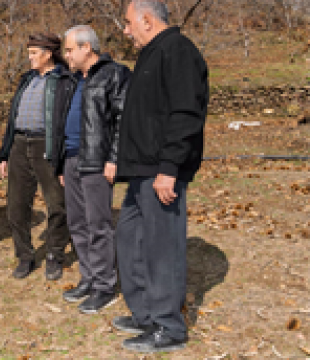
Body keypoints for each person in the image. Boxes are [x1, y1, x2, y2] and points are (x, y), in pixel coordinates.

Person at [113, 0, 209, 353]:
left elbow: (186, 113)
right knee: (130, 242)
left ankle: (169, 328)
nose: (125, 30)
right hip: (140, 170)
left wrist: (169, 168)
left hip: (160, 171)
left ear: (148, 20)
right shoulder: (150, 55)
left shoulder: (178, 51)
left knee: (161, 249)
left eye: (128, 23)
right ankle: (146, 316)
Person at [57, 25, 130, 313]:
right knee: (77, 223)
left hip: (97, 160)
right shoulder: (75, 79)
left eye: (70, 49)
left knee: (98, 225)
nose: (66, 55)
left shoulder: (115, 73)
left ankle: (104, 286)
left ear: (87, 47)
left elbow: (124, 119)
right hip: (72, 159)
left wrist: (114, 158)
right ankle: (89, 277)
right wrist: (62, 161)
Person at [0, 33, 71, 281]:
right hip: (19, 143)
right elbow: (12, 119)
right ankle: (25, 256)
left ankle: (54, 255)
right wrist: (5, 153)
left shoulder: (63, 80)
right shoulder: (26, 79)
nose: (29, 58)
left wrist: (64, 154)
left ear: (48, 54)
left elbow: (66, 120)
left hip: (47, 145)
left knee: (57, 204)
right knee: (16, 206)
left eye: (33, 53)